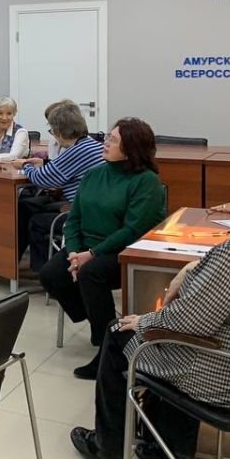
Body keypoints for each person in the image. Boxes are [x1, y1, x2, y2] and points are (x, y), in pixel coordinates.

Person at [71, 155, 230, 459]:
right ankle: (169, 450)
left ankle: (109, 449)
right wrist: (193, 270)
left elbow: (188, 321)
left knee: (121, 332)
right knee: (167, 338)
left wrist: (143, 320)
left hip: (228, 381)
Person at [39, 118, 167, 379]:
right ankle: (104, 328)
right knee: (50, 274)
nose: (105, 143)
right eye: (107, 137)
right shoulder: (94, 174)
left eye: (113, 140)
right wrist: (74, 252)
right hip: (85, 248)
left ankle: (108, 348)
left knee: (90, 274)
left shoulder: (146, 182)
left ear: (131, 148)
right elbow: (74, 218)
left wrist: (92, 254)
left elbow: (132, 230)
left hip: (122, 251)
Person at [7, 101, 105, 272]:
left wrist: (25, 165)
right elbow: (58, 170)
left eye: (52, 131)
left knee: (35, 219)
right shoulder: (91, 145)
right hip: (92, 207)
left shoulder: (75, 151)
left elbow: (42, 179)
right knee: (25, 206)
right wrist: (44, 164)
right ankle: (12, 264)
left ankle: (42, 271)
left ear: (59, 132)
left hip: (81, 213)